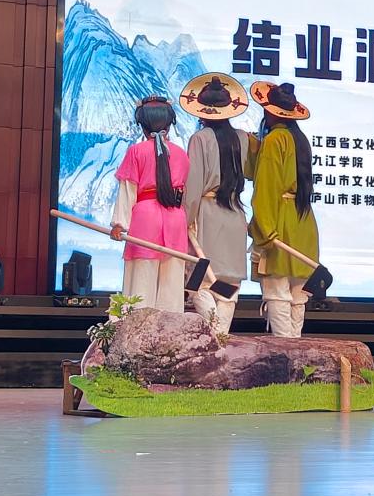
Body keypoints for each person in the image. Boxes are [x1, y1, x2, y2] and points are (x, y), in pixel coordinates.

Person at [179, 73, 254, 334]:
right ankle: (222, 336)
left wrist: (186, 220)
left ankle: (216, 336)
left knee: (200, 282)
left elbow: (193, 186)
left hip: (207, 214)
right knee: (229, 284)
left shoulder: (199, 139)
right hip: (235, 214)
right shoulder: (243, 138)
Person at [248, 81, 318, 338]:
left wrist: (264, 230)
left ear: (269, 112)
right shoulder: (300, 140)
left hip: (279, 223)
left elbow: (266, 188)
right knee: (298, 296)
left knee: (276, 292)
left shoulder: (274, 140)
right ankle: (296, 348)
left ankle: (285, 350)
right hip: (303, 222)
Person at [110, 96, 190, 312]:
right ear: (169, 125)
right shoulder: (181, 154)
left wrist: (119, 224)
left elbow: (128, 189)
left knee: (141, 282)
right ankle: (170, 330)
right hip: (175, 218)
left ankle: (137, 328)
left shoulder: (136, 151)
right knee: (171, 284)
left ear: (142, 125)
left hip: (145, 219)